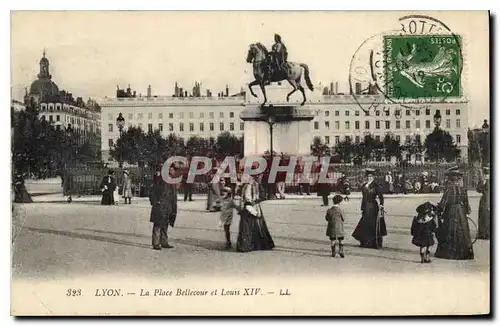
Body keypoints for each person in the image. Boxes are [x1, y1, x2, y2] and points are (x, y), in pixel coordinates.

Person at [434, 167, 474, 260]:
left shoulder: (448, 190)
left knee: (449, 230)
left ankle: (449, 252)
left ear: (450, 179)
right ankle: (463, 252)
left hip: (451, 212)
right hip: (461, 212)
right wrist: (465, 211)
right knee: (462, 231)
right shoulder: (463, 189)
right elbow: (466, 204)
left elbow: (443, 203)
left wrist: (438, 209)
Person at [236, 175, 275, 252]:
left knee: (249, 226)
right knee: (252, 225)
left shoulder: (250, 185)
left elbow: (246, 196)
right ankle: (250, 244)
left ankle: (248, 244)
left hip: (250, 205)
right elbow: (249, 197)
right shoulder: (252, 185)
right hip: (251, 205)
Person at [352, 168, 386, 248]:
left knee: (373, 224)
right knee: (364, 223)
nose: (369, 178)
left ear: (373, 177)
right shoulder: (364, 185)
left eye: (370, 176)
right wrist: (362, 207)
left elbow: (381, 196)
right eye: (368, 176)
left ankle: (374, 243)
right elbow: (363, 197)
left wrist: (381, 205)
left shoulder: (375, 185)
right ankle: (364, 242)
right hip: (365, 207)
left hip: (373, 207)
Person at [149, 167, 177, 250]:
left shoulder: (172, 182)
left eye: (173, 171)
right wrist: (155, 202)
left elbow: (173, 195)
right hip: (160, 205)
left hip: (168, 205)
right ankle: (156, 243)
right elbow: (152, 192)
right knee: (158, 224)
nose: (173, 172)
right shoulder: (159, 181)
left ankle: (164, 242)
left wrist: (173, 206)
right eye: (171, 170)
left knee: (165, 224)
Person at [219, 178, 236, 249]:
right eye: (221, 181)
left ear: (225, 182)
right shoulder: (218, 189)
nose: (222, 182)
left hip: (228, 210)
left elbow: (230, 198)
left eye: (223, 181)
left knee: (227, 226)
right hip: (223, 210)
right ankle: (228, 241)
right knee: (225, 227)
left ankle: (228, 242)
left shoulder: (228, 189)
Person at [476, 167, 490, 240]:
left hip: (488, 200)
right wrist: (482, 182)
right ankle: (482, 233)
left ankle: (486, 234)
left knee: (486, 217)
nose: (485, 176)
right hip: (484, 200)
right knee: (482, 216)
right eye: (485, 174)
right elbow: (478, 190)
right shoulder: (483, 181)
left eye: (486, 174)